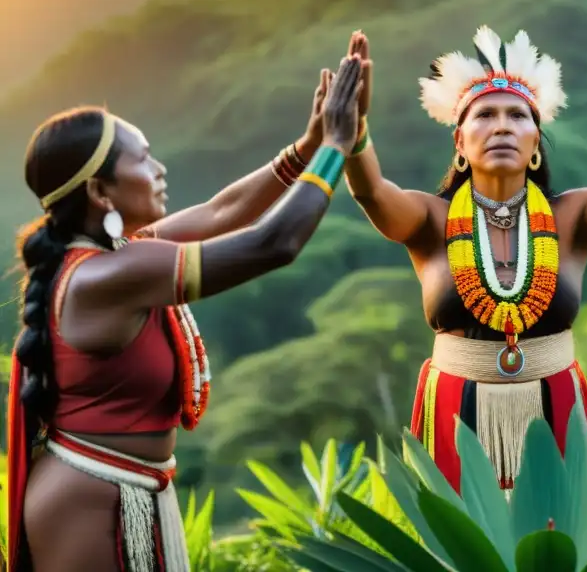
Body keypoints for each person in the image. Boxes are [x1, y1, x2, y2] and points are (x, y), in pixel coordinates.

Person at [7, 56, 364, 572]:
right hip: (89, 506)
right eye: (144, 159)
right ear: (99, 191)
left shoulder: (116, 257)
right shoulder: (109, 275)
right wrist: (335, 149)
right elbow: (273, 244)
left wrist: (307, 148)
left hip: (116, 493)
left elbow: (221, 212)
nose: (159, 169)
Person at [341, 26, 587, 515]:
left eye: (517, 115)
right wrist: (354, 128)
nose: (501, 126)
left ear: (535, 140)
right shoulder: (428, 219)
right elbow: (371, 192)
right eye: (485, 115)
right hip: (456, 412)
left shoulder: (572, 216)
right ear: (460, 140)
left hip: (556, 407)